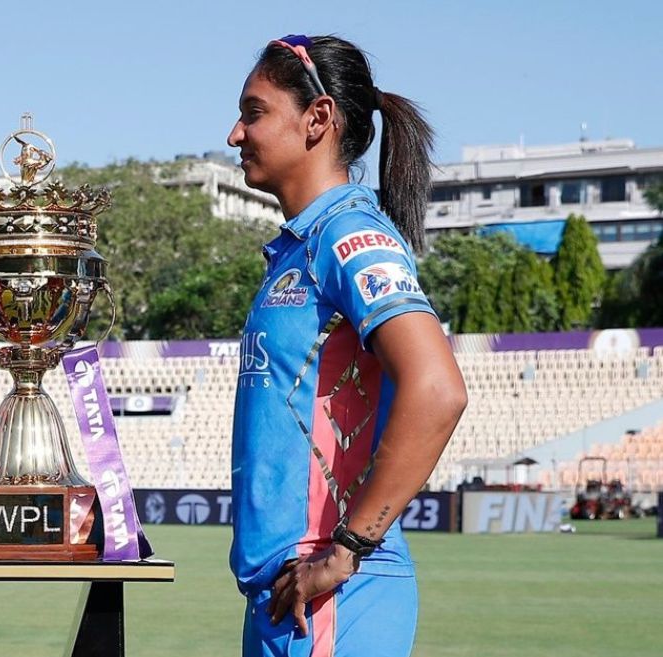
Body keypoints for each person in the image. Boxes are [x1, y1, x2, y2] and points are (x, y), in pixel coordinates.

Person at [226, 35, 467, 656]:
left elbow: (437, 389)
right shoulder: (300, 248)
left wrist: (346, 551)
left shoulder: (348, 234)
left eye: (254, 113)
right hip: (288, 601)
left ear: (318, 118)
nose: (235, 134)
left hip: (333, 597)